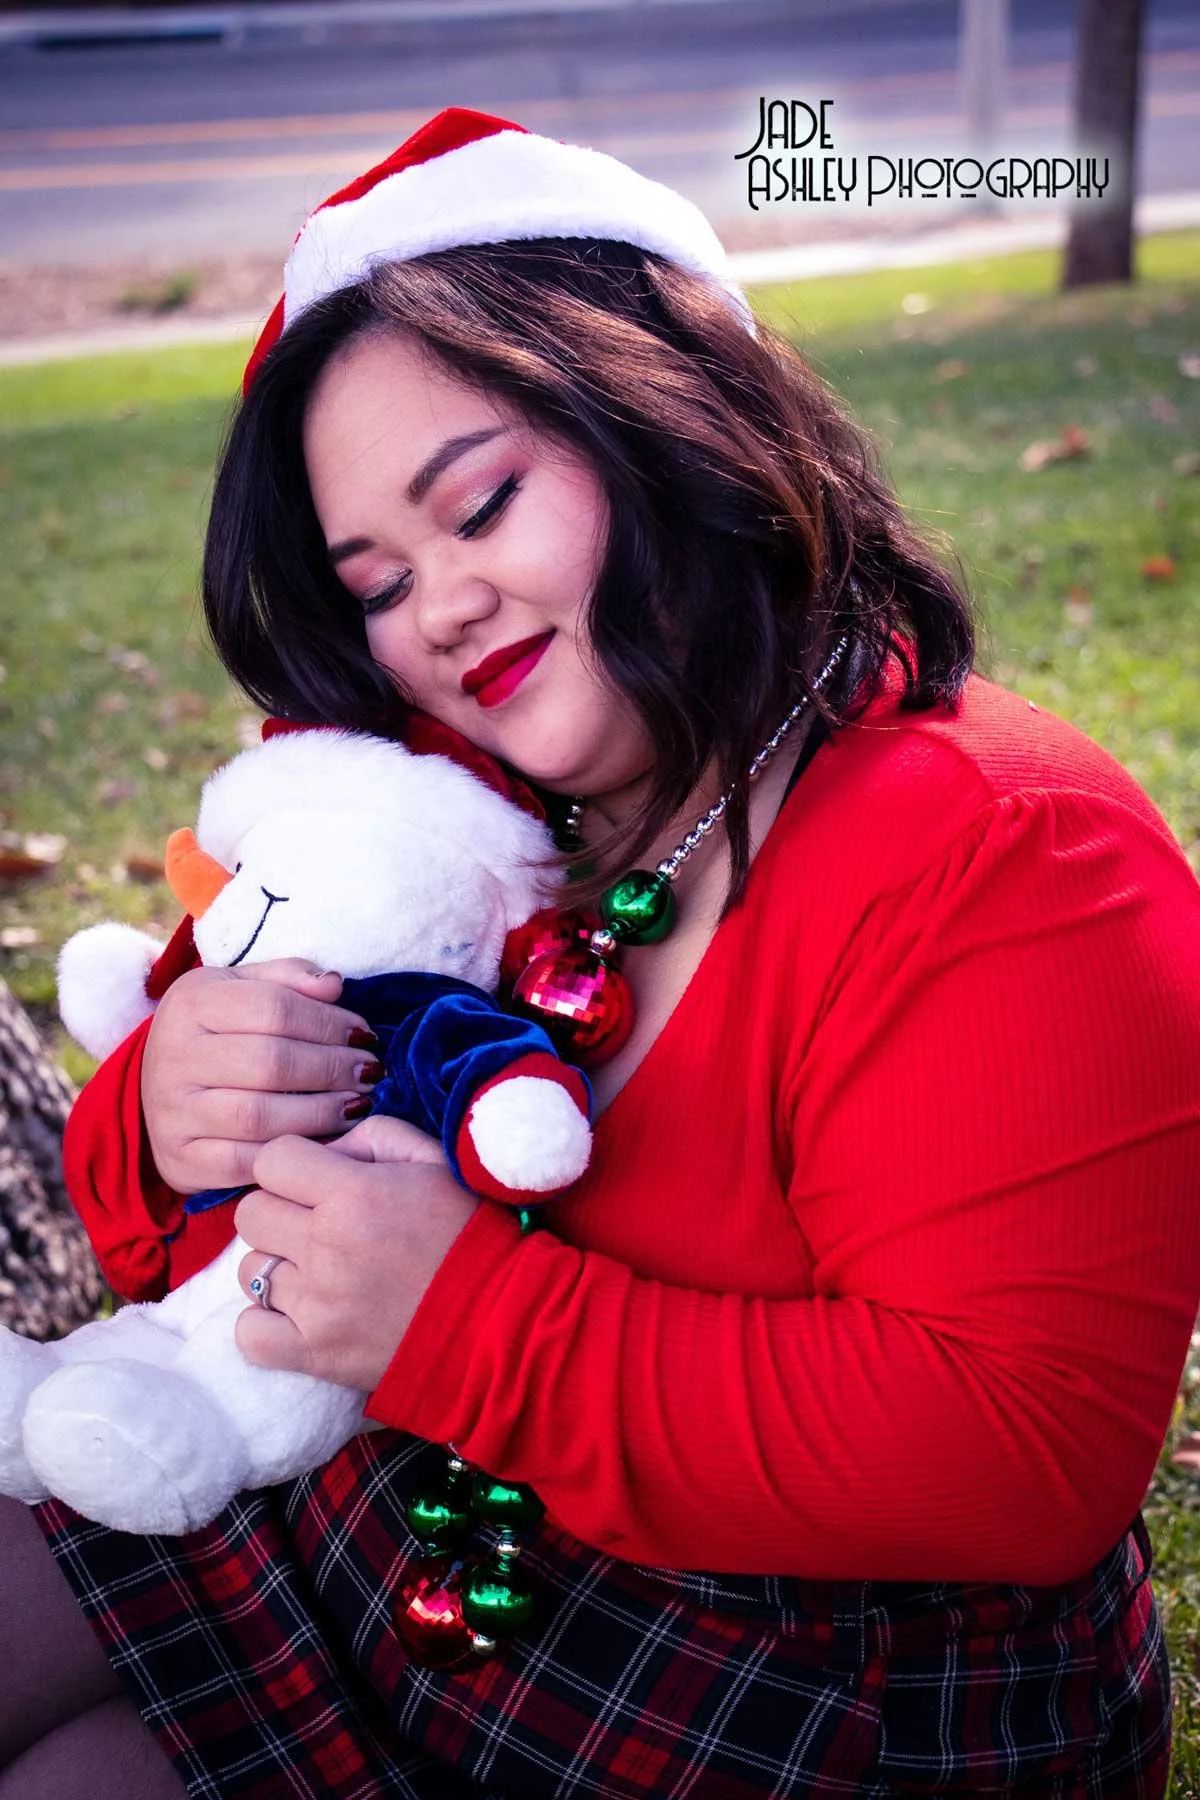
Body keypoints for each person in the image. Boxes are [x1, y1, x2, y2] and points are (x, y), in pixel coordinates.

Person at [4, 104, 1200, 1799]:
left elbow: (1020, 1452)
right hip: (413, 1539)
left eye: (480, 505)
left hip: (795, 1695)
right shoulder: (478, 806)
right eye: (375, 581)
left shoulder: (1007, 848)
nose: (438, 610)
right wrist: (171, 1106)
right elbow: (151, 1220)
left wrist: (461, 1322)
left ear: (673, 411)